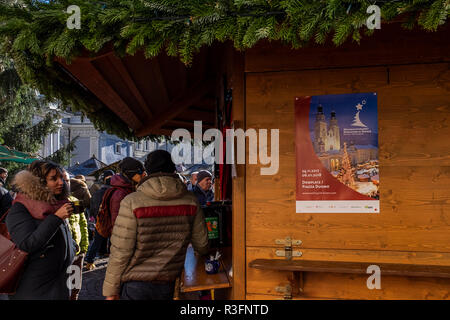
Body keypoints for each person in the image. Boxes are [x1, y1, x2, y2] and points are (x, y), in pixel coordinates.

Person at [103, 150, 209, 300]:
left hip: (136, 286)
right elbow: (202, 244)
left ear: (147, 171)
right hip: (170, 283)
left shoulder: (132, 201)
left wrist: (111, 290)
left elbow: (120, 251)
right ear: (172, 169)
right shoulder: (191, 200)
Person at [5, 160, 76, 300]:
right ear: (39, 182)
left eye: (61, 177)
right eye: (53, 178)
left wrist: (73, 246)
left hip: (59, 285)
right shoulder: (20, 208)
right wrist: (56, 218)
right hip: (33, 290)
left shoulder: (56, 204)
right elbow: (27, 243)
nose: (61, 182)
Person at [84, 158, 145, 270]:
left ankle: (91, 259)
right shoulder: (120, 193)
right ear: (131, 174)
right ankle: (89, 260)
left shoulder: (126, 189)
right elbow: (118, 225)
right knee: (97, 243)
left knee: (97, 242)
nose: (144, 175)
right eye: (140, 172)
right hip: (116, 235)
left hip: (105, 224)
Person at [62, 170, 89, 300]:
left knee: (75, 286)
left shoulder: (75, 201)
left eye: (67, 180)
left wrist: (84, 247)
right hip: (62, 255)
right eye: (61, 180)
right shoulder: (49, 202)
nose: (64, 183)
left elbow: (83, 224)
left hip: (78, 253)